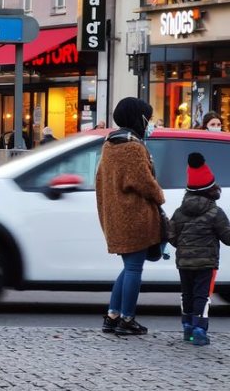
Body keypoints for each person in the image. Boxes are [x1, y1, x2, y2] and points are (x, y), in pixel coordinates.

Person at [96, 97, 165, 335]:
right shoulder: (133, 147)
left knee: (128, 268)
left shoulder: (110, 144)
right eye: (148, 118)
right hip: (134, 216)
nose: (149, 123)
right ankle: (127, 319)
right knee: (134, 269)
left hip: (116, 214)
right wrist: (160, 195)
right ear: (138, 118)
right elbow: (145, 182)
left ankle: (112, 315)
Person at [168, 153, 230, 346]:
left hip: (184, 262)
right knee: (202, 295)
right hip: (206, 263)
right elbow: (227, 237)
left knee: (186, 293)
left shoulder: (179, 212)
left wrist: (183, 246)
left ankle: (187, 327)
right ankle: (199, 329)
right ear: (211, 190)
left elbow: (171, 235)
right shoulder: (215, 212)